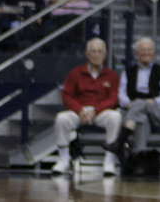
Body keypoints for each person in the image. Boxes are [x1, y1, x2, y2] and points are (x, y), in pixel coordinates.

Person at [51, 38, 122, 176]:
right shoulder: (76, 73)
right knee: (61, 118)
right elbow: (67, 95)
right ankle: (63, 160)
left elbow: (113, 98)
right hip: (80, 112)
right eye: (93, 51)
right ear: (87, 54)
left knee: (116, 117)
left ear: (105, 54)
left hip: (100, 112)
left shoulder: (112, 75)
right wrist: (80, 110)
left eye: (100, 52)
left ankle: (109, 161)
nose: (96, 55)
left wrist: (95, 110)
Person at [106, 37, 160, 167]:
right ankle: (139, 158)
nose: (146, 53)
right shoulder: (128, 72)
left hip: (158, 110)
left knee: (140, 103)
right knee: (141, 119)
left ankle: (121, 140)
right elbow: (121, 94)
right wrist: (128, 104)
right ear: (137, 53)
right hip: (134, 111)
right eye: (143, 50)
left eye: (149, 50)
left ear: (154, 52)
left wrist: (152, 101)